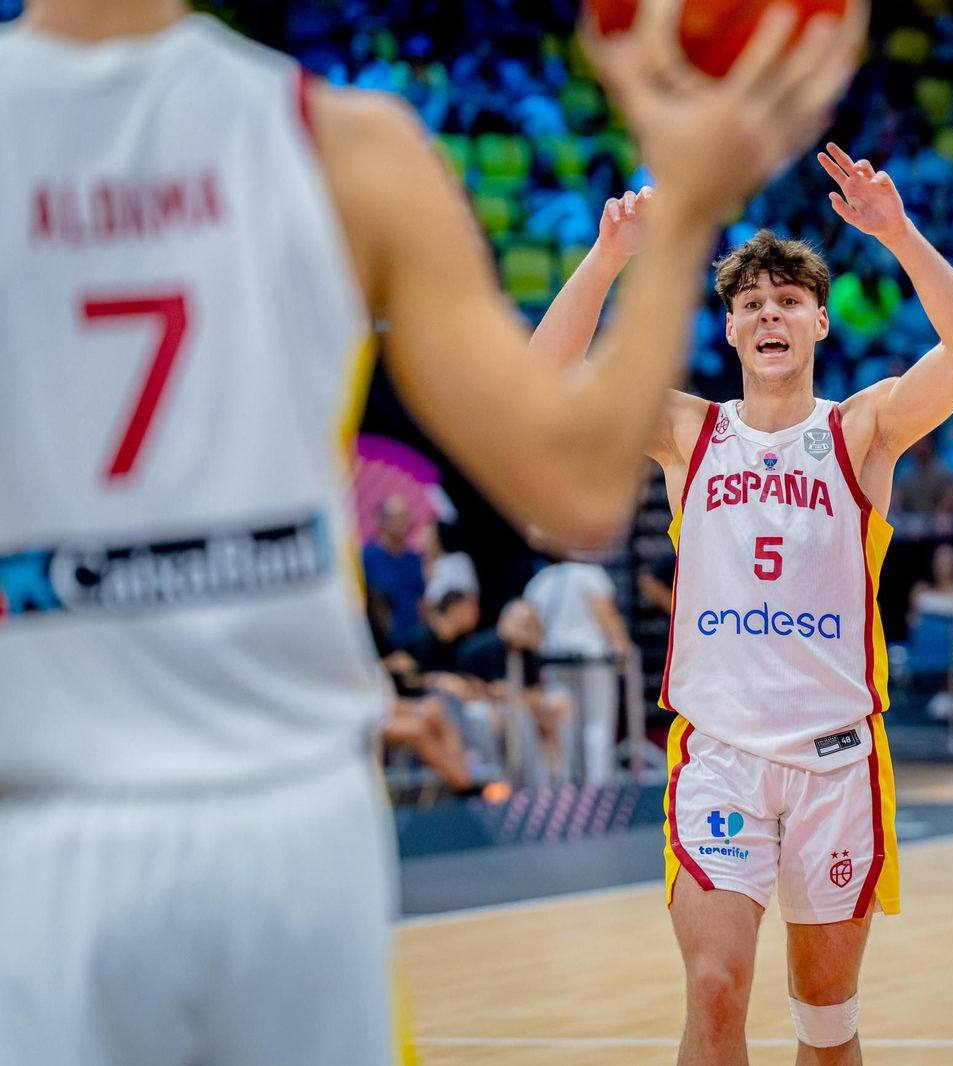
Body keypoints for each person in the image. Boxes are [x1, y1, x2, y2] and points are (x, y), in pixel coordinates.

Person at [0, 0, 867, 1061]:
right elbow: (576, 485)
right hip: (284, 825)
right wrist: (687, 201)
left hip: (44, 819)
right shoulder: (342, 144)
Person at [533, 142, 953, 1065]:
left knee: (825, 1020)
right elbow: (544, 375)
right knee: (714, 993)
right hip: (720, 754)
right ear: (735, 333)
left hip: (837, 760)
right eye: (751, 305)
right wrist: (609, 256)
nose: (770, 314)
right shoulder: (686, 431)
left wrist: (897, 232)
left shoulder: (863, 430)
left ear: (820, 323)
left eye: (788, 301)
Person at [523, 553, 633, 785]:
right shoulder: (591, 574)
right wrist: (624, 652)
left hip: (553, 659)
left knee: (564, 722)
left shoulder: (539, 581)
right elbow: (606, 616)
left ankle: (566, 783)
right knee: (597, 722)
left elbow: (534, 628)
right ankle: (598, 784)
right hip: (593, 659)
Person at [363, 495, 428, 642]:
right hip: (381, 642)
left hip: (414, 640)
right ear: (382, 521)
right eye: (398, 517)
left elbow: (421, 600)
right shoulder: (368, 557)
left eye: (406, 516)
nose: (404, 522)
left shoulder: (414, 559)